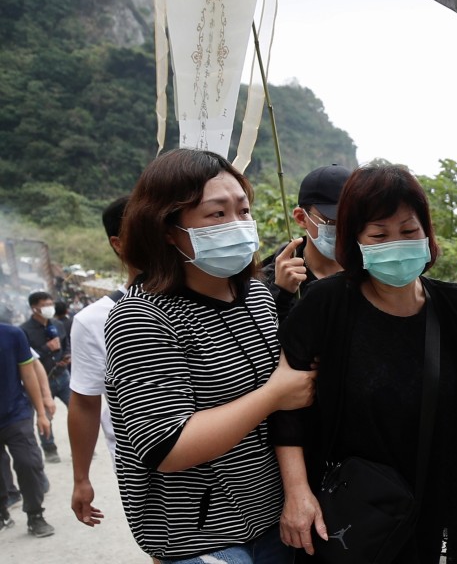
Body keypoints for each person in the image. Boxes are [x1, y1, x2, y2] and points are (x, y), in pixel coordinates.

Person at [270, 164, 457, 562]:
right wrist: (297, 494)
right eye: (379, 234)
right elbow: (289, 409)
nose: (397, 242)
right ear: (356, 241)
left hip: (432, 511)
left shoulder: (454, 307)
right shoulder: (326, 305)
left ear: (426, 234)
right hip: (352, 513)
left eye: (409, 231)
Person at [104, 148, 317, 563]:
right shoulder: (142, 316)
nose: (237, 225)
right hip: (200, 539)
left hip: (273, 519)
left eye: (242, 210)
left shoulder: (256, 294)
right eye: (216, 215)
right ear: (168, 228)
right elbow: (167, 445)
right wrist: (274, 394)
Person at [68, 195, 137, 528]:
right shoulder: (92, 320)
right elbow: (84, 401)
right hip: (144, 471)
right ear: (118, 244)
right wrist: (81, 478)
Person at [262, 164, 351, 320]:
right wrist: (281, 293)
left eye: (352, 220)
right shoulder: (268, 281)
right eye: (333, 221)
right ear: (301, 218)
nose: (344, 230)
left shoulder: (369, 272)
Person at [0, 322, 55, 537]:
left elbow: (29, 373)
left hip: (16, 414)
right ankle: (2, 511)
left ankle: (35, 515)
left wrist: (41, 412)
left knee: (28, 462)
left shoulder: (13, 335)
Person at [19, 291, 71, 463]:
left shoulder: (58, 324)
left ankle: (81, 446)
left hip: (62, 376)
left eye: (51, 304)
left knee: (77, 409)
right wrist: (46, 348)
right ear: (34, 308)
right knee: (45, 416)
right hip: (42, 381)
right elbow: (28, 359)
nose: (50, 308)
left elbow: (65, 344)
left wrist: (66, 356)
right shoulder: (24, 331)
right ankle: (50, 449)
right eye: (45, 305)